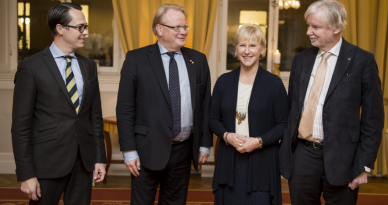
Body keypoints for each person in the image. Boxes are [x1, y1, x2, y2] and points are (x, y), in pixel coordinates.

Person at [279, 0, 384, 204]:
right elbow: (292, 108)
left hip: (344, 157)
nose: (309, 31)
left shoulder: (362, 61)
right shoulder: (300, 60)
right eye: (308, 26)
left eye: (316, 27)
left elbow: (373, 119)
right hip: (303, 154)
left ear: (337, 27)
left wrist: (363, 165)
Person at [116, 4, 213, 205]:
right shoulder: (136, 59)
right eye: (177, 27)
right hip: (146, 150)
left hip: (183, 151)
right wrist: (128, 151)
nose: (183, 31)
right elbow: (125, 108)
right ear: (159, 29)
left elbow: (205, 106)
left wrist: (204, 143)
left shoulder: (198, 60)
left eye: (185, 27)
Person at [11, 3, 107, 204]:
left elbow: (94, 117)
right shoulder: (31, 67)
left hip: (83, 161)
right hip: (47, 161)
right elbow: (21, 126)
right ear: (60, 29)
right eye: (80, 27)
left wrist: (99, 158)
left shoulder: (89, 67)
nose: (86, 32)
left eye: (86, 26)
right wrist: (26, 174)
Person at [209, 24, 289, 205]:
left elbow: (284, 124)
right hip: (229, 161)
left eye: (253, 45)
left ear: (262, 50)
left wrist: (259, 141)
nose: (247, 51)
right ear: (235, 50)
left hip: (262, 162)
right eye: (242, 45)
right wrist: (227, 136)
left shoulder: (274, 84)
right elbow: (213, 119)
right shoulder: (223, 81)